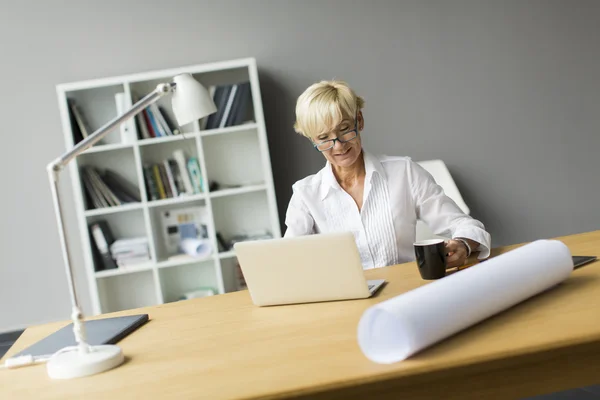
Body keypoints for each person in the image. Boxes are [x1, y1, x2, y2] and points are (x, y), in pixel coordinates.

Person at [283, 80, 491, 269]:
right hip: (345, 304)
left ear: (359, 121)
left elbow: (464, 225)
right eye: (324, 138)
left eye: (345, 129)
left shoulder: (405, 172)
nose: (338, 145)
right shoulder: (305, 194)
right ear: (313, 141)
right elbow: (287, 260)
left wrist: (463, 244)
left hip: (405, 294)